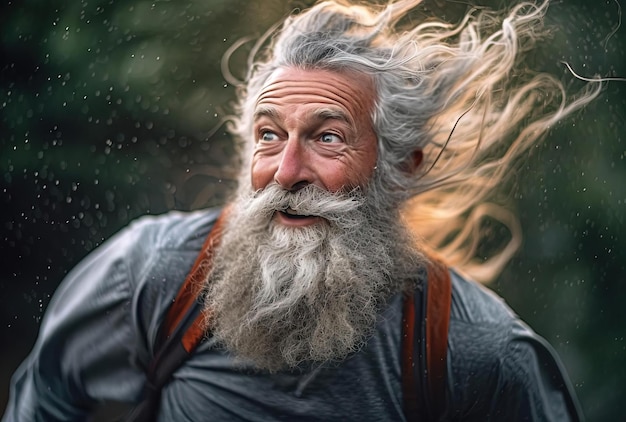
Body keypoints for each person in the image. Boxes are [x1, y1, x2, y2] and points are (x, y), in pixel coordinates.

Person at [3, 0, 602, 420]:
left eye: (328, 137)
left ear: (403, 167)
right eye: (269, 135)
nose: (286, 172)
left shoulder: (477, 352)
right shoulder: (153, 274)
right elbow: (46, 399)